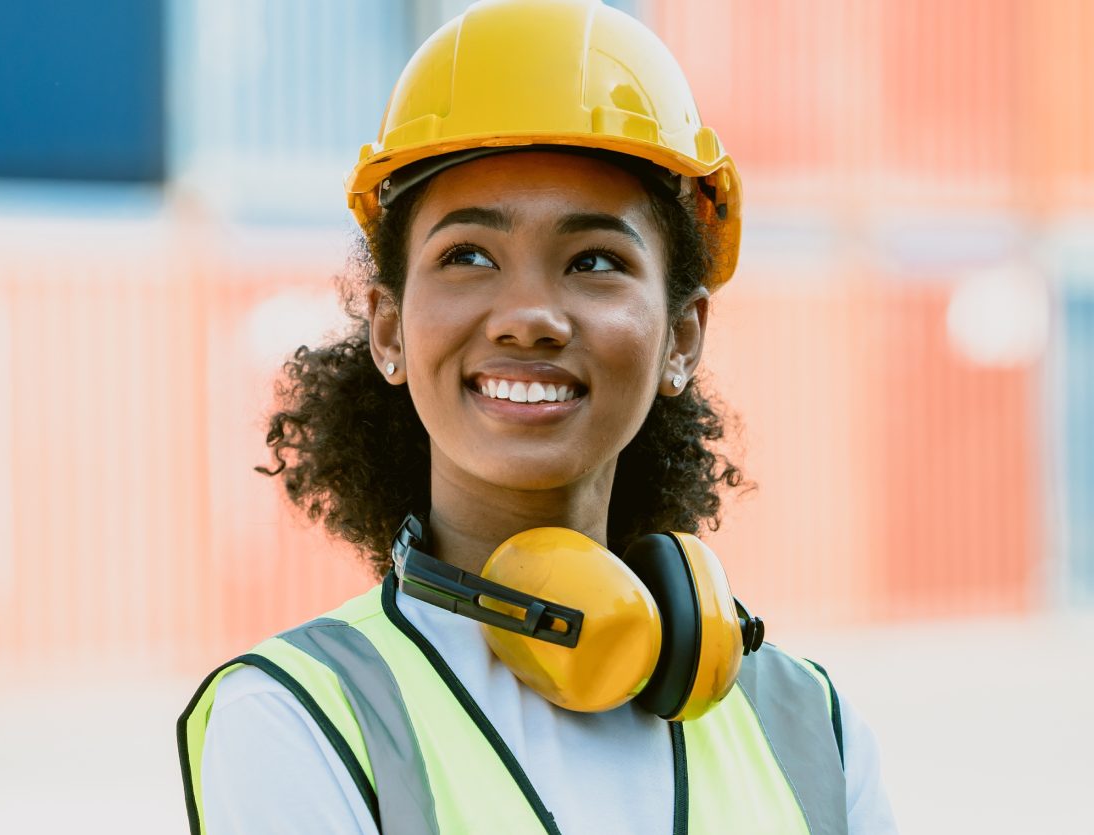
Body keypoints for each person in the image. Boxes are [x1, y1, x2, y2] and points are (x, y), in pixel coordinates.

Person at [176, 1, 897, 833]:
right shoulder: (298, 718)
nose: (529, 316)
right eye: (468, 256)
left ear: (682, 336)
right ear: (388, 327)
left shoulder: (814, 730)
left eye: (595, 261)